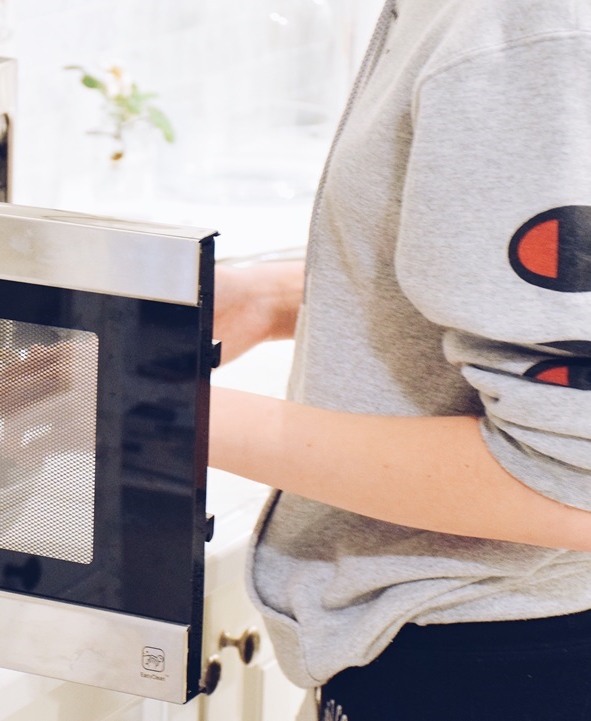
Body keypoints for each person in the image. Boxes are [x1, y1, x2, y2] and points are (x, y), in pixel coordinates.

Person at [208, 0, 591, 718]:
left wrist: (151, 409)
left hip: (502, 664)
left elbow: (570, 480)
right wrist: (281, 298)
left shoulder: (528, 23)